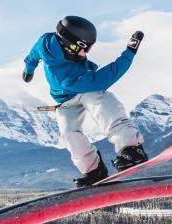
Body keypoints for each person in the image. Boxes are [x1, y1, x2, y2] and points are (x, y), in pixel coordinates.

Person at [23, 16, 147, 187]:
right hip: (69, 97)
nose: (85, 53)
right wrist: (130, 53)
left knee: (102, 103)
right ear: (69, 45)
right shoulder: (67, 77)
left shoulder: (46, 41)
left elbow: (32, 55)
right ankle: (94, 170)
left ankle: (131, 148)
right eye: (83, 48)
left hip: (75, 91)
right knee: (70, 132)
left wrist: (28, 70)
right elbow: (107, 76)